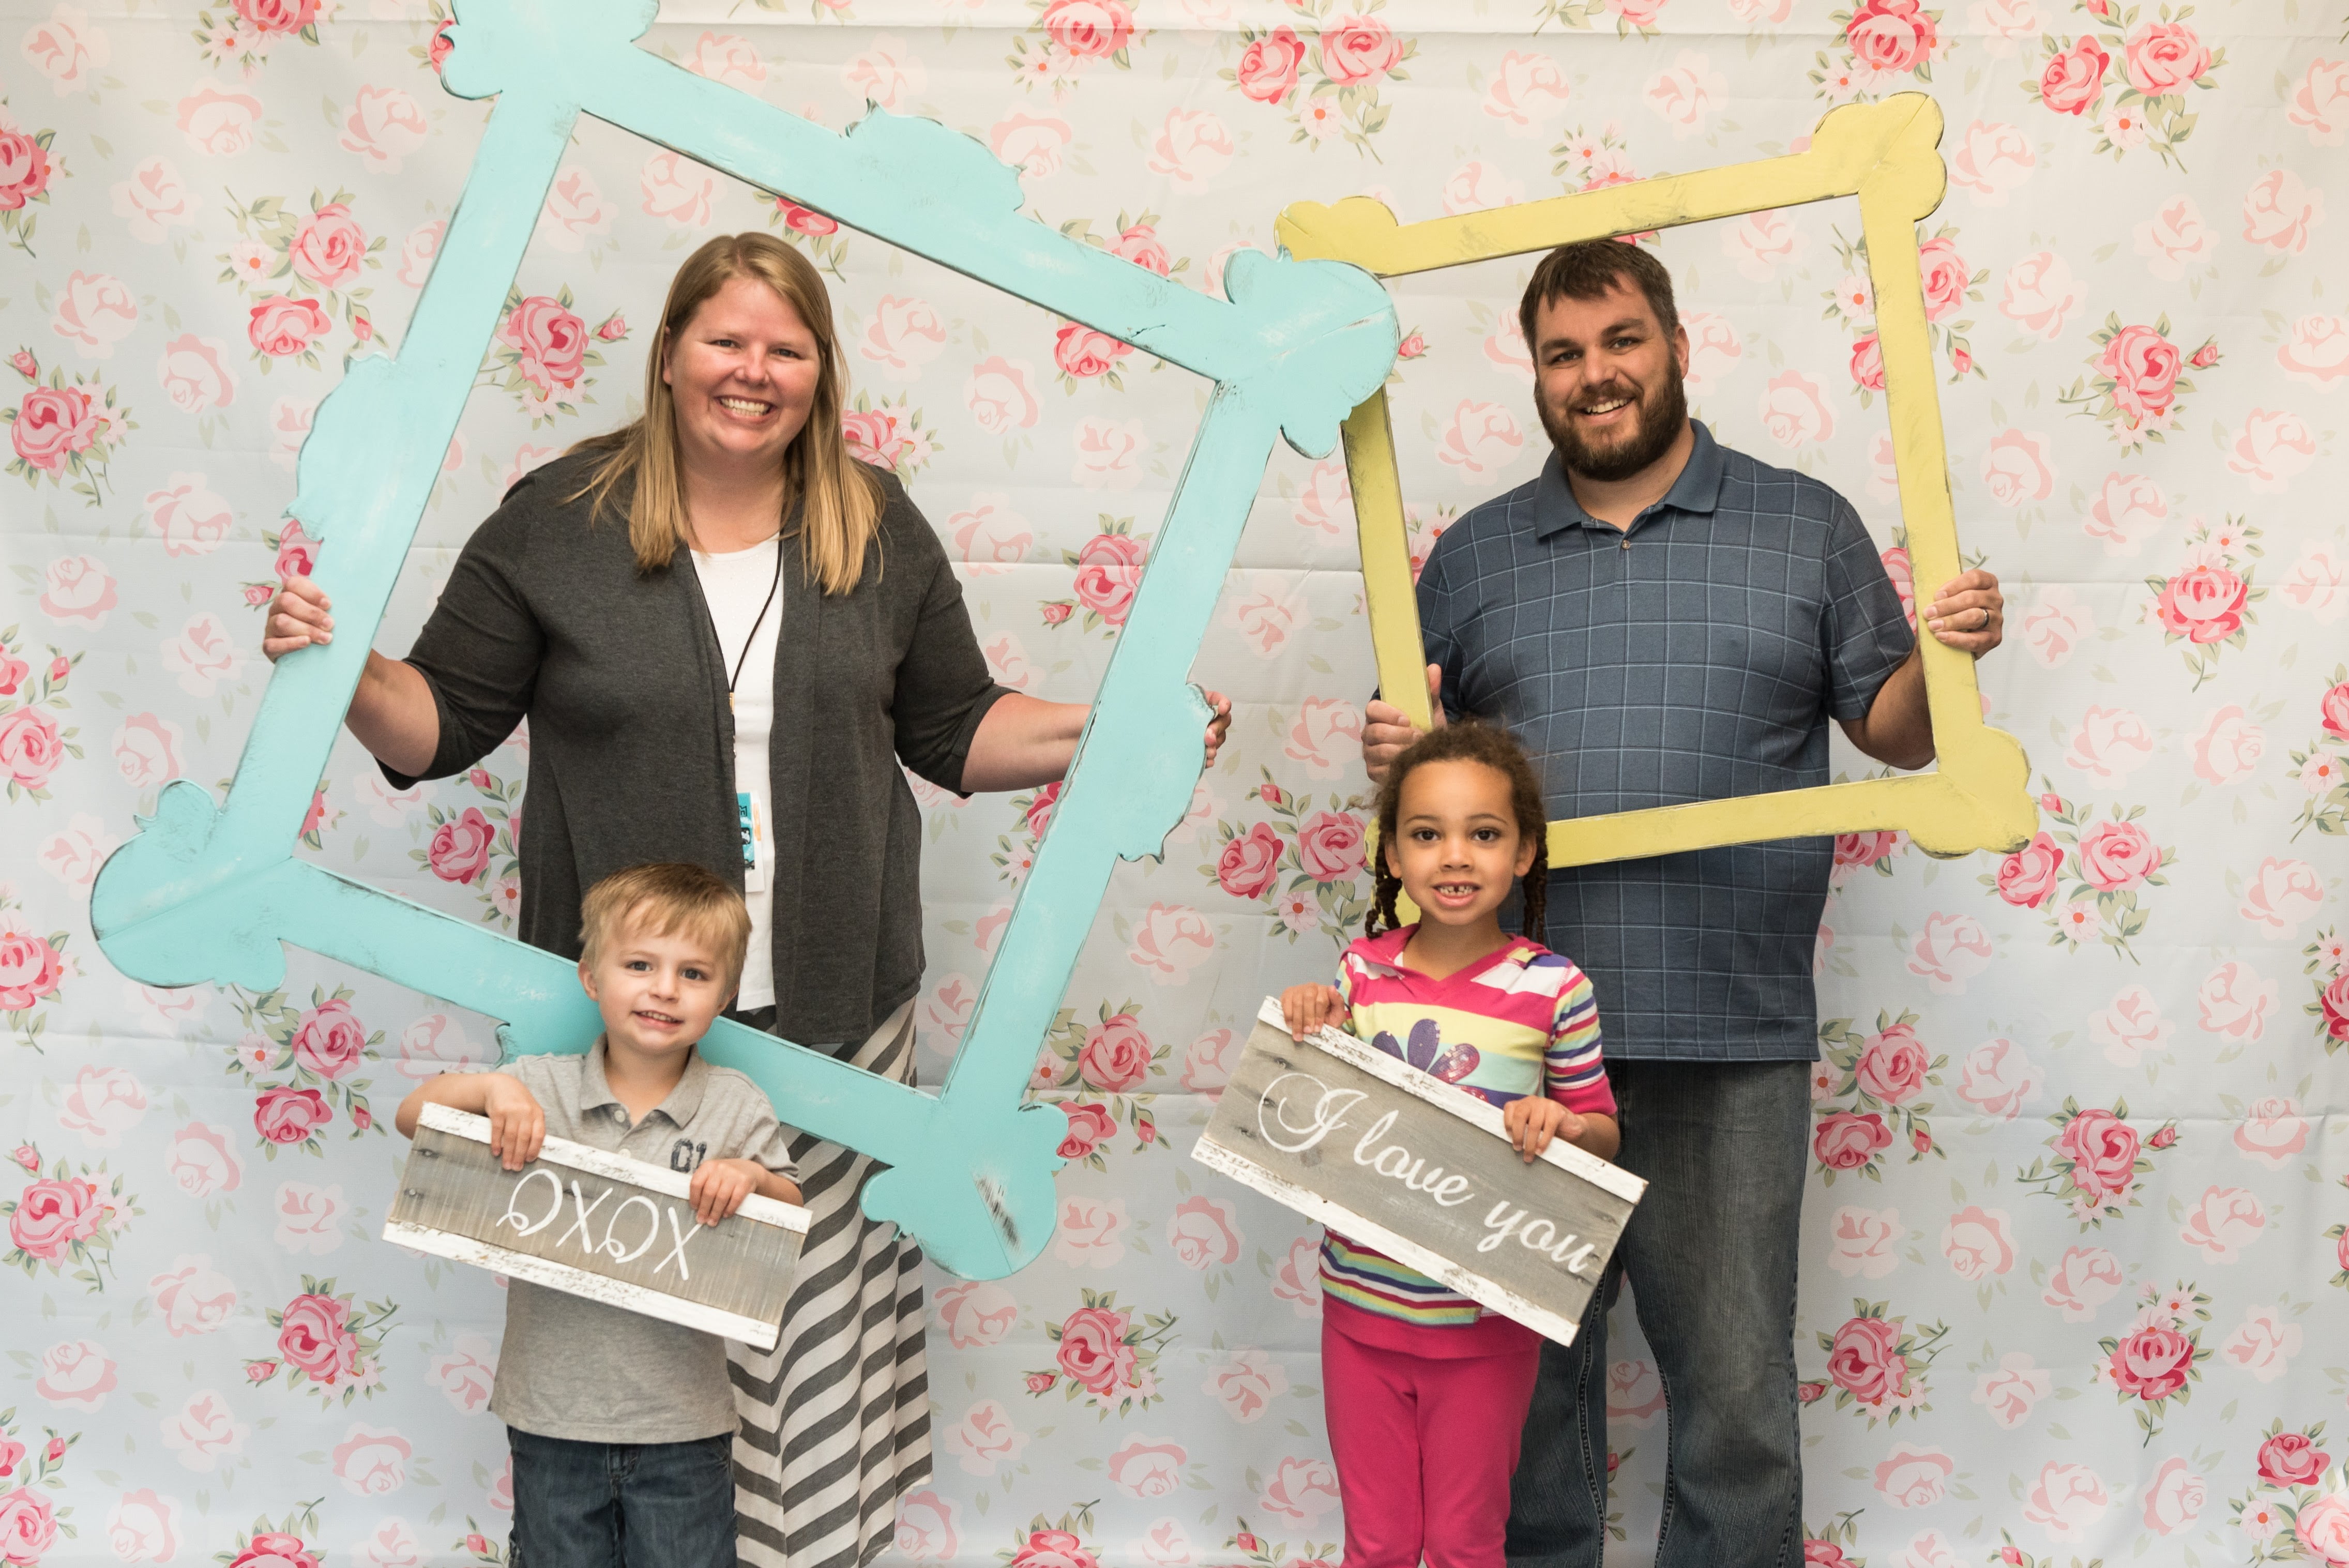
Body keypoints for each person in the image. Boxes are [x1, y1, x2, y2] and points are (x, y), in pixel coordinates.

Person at [266, 231, 1229, 1568]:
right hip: (626, 1037)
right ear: (669, 353)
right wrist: (344, 668)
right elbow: (438, 723)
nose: (752, 370)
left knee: (805, 1377)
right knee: (626, 1377)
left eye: (786, 348)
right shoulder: (558, 518)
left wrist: (1124, 731)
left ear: (821, 371)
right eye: (725, 339)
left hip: (836, 1021)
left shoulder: (871, 520)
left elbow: (955, 726)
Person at [1360, 240, 2006, 1568]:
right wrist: (1399, 754)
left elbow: (1894, 734)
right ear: (1535, 373)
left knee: (1733, 1398)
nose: (1594, 374)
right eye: (1562, 353)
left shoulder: (1803, 523)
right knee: (1519, 1391)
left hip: (1729, 1025)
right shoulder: (1474, 555)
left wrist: (1944, 662)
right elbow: (1439, 795)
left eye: (1620, 340)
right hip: (1507, 1046)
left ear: (1675, 344)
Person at [394, 862, 805, 1568]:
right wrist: (490, 1090)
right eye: (640, 964)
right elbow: (412, 1116)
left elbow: (790, 1211)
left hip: (683, 1422)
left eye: (694, 974)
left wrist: (753, 1176)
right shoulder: (537, 1084)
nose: (664, 989)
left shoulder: (737, 1104)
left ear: (725, 997)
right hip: (549, 1414)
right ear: (591, 977)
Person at [1280, 721, 1619, 1568]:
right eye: (1428, 834)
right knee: (1378, 1545)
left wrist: (1564, 1125)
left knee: (1467, 1544)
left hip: (1484, 1328)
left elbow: (1603, 1131)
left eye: (1485, 833)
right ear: (1393, 854)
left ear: (1525, 851)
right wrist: (1311, 1016)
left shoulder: (1556, 988)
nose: (1456, 856)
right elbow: (1319, 1110)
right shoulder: (1361, 974)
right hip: (1358, 1312)